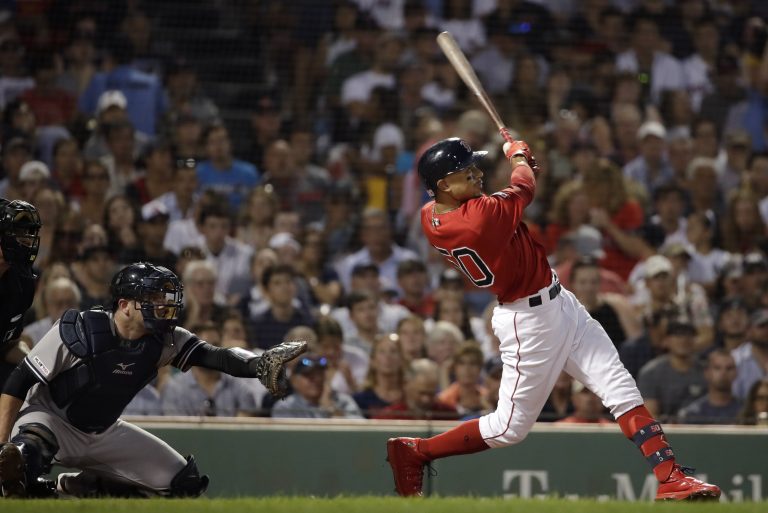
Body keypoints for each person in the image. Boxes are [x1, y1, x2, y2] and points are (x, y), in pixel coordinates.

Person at [385, 135, 721, 501]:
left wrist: (522, 163)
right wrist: (518, 157)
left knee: (619, 387)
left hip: (560, 302)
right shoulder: (479, 217)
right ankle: (415, 451)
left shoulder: (430, 214)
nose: (478, 174)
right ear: (443, 185)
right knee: (507, 429)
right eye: (467, 172)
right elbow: (523, 188)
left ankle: (670, 477)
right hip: (527, 321)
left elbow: (508, 192)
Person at [0, 262, 306, 498]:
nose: (163, 304)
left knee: (183, 484)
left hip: (103, 431)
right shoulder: (78, 328)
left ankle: (84, 485)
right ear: (124, 305)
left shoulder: (165, 340)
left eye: (165, 297)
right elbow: (19, 381)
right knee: (22, 464)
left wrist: (258, 364)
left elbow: (217, 356)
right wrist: (2, 443)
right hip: (49, 419)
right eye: (152, 297)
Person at [0, 199, 41, 387]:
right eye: (17, 232)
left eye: (28, 233)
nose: (25, 239)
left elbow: (9, 344)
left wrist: (36, 366)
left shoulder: (23, 282)